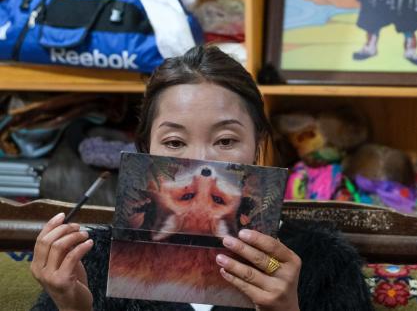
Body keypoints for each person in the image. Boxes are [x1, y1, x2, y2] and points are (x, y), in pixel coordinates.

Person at [30, 45, 373, 311]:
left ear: (257, 146)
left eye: (225, 141)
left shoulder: (325, 262)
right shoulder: (92, 263)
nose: (201, 162)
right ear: (145, 150)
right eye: (174, 142)